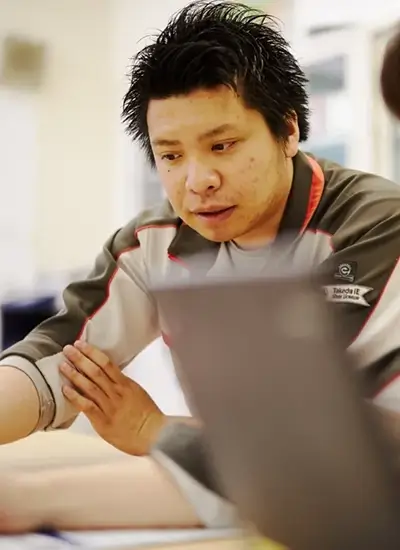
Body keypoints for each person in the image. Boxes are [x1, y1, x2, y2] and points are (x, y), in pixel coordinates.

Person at [1, 0, 400, 533]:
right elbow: (55, 365)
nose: (197, 180)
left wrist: (156, 431)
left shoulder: (373, 227)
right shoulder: (153, 243)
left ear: (288, 132)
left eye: (223, 145)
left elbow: (334, 461)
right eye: (170, 155)